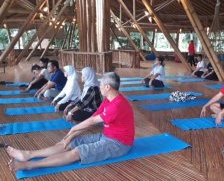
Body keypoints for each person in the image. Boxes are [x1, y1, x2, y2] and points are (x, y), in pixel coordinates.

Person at [6, 72, 135, 171]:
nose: (99, 86)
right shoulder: (108, 99)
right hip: (106, 136)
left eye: (101, 84)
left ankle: (28, 165)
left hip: (118, 144)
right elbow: (92, 119)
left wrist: (73, 129)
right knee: (69, 142)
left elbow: (92, 122)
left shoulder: (117, 105)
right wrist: (71, 136)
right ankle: (28, 154)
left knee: (77, 152)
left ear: (107, 87)